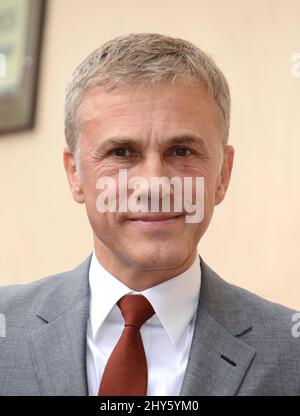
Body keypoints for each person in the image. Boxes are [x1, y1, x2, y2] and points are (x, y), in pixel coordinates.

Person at [0, 33, 299, 396]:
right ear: (75, 174)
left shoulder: (290, 351)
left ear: (222, 174)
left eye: (182, 151)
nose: (155, 185)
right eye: (122, 152)